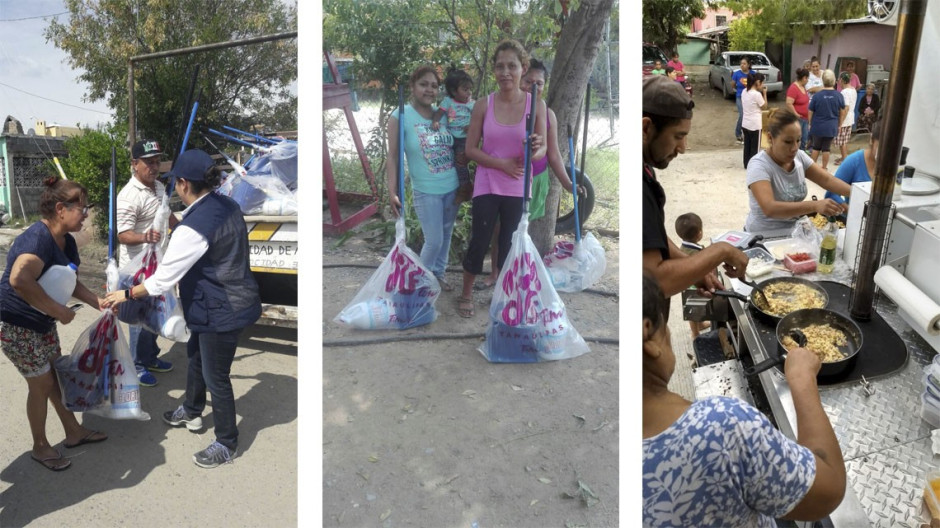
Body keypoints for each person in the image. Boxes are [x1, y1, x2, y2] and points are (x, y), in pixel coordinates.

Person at [642, 273, 847, 527]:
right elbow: (830, 489)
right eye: (665, 324)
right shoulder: (723, 427)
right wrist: (802, 378)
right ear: (647, 333)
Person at [103, 150, 261, 469]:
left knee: (216, 376)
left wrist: (125, 294)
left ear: (185, 184)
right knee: (194, 358)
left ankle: (227, 442)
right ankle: (190, 408)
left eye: (175, 182)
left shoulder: (193, 228)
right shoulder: (225, 205)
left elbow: (162, 281)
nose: (173, 187)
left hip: (223, 308)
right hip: (212, 304)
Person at [0, 178, 108, 471]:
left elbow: (68, 279)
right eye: (82, 209)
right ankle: (39, 446)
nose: (85, 215)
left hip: (41, 322)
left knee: (55, 378)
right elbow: (19, 279)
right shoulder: (38, 239)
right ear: (61, 208)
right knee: (42, 383)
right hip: (15, 323)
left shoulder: (67, 241)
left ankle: (73, 432)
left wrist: (95, 301)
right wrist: (58, 311)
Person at [458, 39, 546, 318]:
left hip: (519, 184)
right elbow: (471, 149)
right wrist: (501, 165)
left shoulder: (536, 105)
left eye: (512, 66)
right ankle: (466, 293)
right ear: (494, 70)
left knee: (510, 244)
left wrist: (533, 151)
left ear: (523, 69)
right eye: (500, 66)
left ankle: (506, 295)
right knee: (480, 238)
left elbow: (543, 147)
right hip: (488, 181)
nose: (505, 72)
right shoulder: (484, 104)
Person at [477, 59, 581, 290]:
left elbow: (553, 155)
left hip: (536, 178)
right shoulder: (504, 107)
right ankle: (495, 272)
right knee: (499, 229)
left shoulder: (547, 114)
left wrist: (568, 183)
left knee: (519, 229)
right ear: (520, 78)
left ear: (545, 85)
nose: (532, 86)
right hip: (507, 176)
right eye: (528, 81)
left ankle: (516, 274)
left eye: (539, 83)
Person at [642, 75, 748, 299]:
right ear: (645, 128)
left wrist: (692, 268)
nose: (683, 148)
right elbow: (653, 281)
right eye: (678, 136)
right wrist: (721, 251)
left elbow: (653, 239)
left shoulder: (646, 168)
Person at [387, 65, 460, 292]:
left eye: (434, 86)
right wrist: (392, 192)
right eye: (423, 84)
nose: (429, 90)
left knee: (446, 235)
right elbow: (393, 157)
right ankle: (418, 283)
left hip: (452, 186)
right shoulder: (400, 116)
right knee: (434, 239)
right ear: (412, 86)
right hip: (426, 190)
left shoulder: (443, 114)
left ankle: (438, 274)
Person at [117, 139, 179, 387]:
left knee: (155, 315)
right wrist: (144, 236)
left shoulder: (159, 187)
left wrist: (181, 227)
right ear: (134, 164)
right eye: (148, 162)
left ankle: (150, 357)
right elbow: (122, 234)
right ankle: (136, 365)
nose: (154, 167)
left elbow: (167, 214)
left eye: (156, 162)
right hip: (136, 270)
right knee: (138, 320)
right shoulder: (129, 195)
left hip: (158, 265)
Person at [745, 108, 852, 234]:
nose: (795, 148)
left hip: (793, 234)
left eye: (798, 140)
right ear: (770, 138)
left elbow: (827, 180)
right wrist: (814, 205)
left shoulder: (800, 157)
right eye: (788, 142)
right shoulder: (759, 165)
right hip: (763, 237)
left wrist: (860, 194)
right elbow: (770, 208)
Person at [431, 67, 475, 204]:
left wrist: (472, 127)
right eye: (465, 89)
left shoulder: (472, 104)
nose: (469, 93)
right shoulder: (448, 102)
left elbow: (479, 120)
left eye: (469, 89)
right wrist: (435, 121)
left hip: (465, 139)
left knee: (461, 163)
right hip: (451, 138)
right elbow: (439, 112)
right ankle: (456, 186)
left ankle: (465, 188)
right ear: (454, 91)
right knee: (451, 163)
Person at [824, 119, 882, 205]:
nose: (886, 154)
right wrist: (849, 211)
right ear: (871, 139)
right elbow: (831, 194)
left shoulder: (896, 167)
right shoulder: (854, 161)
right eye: (881, 147)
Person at [674, 213, 710, 338]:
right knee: (692, 310)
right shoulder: (696, 253)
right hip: (693, 288)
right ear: (699, 233)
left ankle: (699, 325)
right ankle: (695, 333)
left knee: (697, 309)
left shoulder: (681, 248)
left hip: (687, 286)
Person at [808, 69, 846, 171]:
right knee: (826, 148)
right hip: (831, 126)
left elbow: (810, 111)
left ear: (823, 80)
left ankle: (812, 168)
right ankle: (824, 168)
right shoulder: (839, 95)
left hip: (817, 125)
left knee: (816, 147)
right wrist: (840, 124)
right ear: (834, 81)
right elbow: (842, 111)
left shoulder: (817, 96)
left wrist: (809, 123)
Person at [741, 71, 768, 168]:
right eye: (762, 83)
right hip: (755, 124)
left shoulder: (744, 91)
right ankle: (754, 166)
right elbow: (764, 106)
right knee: (755, 148)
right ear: (758, 82)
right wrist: (764, 94)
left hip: (745, 123)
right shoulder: (757, 95)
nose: (763, 85)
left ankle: (746, 164)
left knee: (747, 145)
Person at [833, 72, 857, 166]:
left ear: (842, 80)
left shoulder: (844, 92)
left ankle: (844, 159)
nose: (838, 82)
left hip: (845, 119)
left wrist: (840, 123)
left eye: (839, 80)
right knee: (845, 140)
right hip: (851, 118)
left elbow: (845, 108)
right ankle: (844, 157)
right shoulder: (853, 89)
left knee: (842, 141)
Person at [786, 68, 811, 150]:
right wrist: (795, 113)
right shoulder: (793, 88)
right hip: (798, 119)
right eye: (807, 78)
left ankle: (801, 157)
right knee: (797, 140)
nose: (808, 80)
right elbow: (789, 103)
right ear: (804, 78)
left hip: (805, 119)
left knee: (804, 140)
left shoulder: (803, 87)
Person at [732, 57, 751, 143]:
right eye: (741, 63)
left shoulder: (752, 74)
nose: (742, 65)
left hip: (750, 97)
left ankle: (748, 133)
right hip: (740, 96)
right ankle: (738, 133)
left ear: (748, 65)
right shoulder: (736, 74)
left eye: (744, 63)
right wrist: (738, 90)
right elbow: (733, 85)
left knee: (749, 115)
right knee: (742, 114)